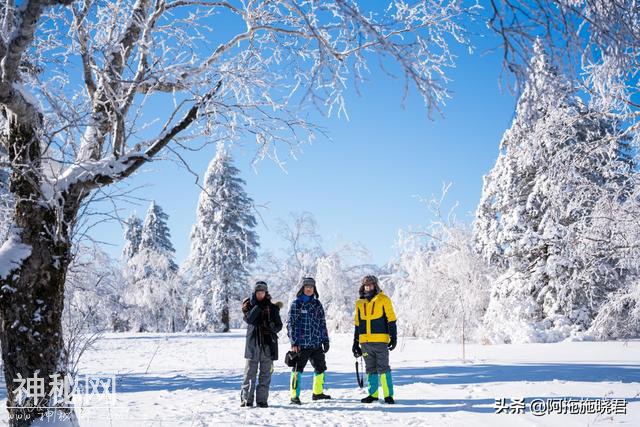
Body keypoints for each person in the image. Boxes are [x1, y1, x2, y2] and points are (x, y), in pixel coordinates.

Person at [352, 275, 397, 404]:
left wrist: (393, 337)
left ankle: (388, 395)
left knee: (383, 368)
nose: (368, 287)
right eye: (366, 285)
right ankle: (373, 395)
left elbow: (391, 319)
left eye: (371, 285)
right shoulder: (359, 303)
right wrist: (355, 343)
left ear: (375, 285)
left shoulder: (384, 300)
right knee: (370, 368)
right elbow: (357, 323)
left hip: (380, 341)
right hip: (365, 342)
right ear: (363, 287)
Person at [287, 277, 331, 404]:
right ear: (303, 288)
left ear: (314, 289)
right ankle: (294, 396)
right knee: (297, 369)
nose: (309, 289)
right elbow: (291, 324)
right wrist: (294, 342)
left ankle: (317, 393)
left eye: (311, 287)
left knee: (321, 368)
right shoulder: (297, 304)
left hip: (316, 343)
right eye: (307, 287)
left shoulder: (317, 304)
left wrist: (325, 340)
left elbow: (322, 323)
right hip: (301, 344)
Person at [240, 281, 283, 408]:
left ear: (266, 292)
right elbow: (249, 319)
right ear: (255, 293)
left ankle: (262, 400)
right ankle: (246, 399)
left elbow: (279, 325)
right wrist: (259, 306)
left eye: (263, 292)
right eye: (258, 292)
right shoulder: (248, 306)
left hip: (268, 346)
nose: (260, 294)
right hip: (253, 346)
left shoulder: (273, 308)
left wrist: (272, 327)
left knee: (265, 375)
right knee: (249, 375)